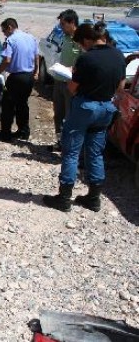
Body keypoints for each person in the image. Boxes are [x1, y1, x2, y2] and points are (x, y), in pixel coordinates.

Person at [43, 22, 126, 212]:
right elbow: (120, 87)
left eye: (81, 43)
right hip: (106, 108)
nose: (81, 47)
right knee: (95, 153)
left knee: (71, 152)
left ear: (88, 40)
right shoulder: (118, 55)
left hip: (85, 108)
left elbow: (72, 88)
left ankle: (64, 198)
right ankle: (94, 198)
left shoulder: (86, 58)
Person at [0, 18, 39, 142]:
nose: (4, 34)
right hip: (28, 77)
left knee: (8, 105)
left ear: (9, 27)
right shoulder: (31, 38)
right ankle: (24, 132)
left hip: (16, 77)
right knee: (22, 104)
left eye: (4, 31)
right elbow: (36, 56)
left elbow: (7, 60)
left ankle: (5, 134)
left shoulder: (11, 40)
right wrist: (36, 72)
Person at [51, 9, 81, 151]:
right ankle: (60, 142)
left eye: (63, 24)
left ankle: (70, 146)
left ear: (72, 23)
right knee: (58, 114)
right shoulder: (65, 37)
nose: (61, 27)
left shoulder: (82, 40)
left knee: (70, 116)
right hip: (59, 80)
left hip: (72, 83)